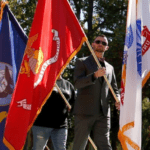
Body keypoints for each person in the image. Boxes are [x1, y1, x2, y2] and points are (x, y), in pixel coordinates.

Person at [72, 34, 120, 150]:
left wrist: (117, 100)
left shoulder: (110, 68)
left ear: (106, 48)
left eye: (104, 43)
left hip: (103, 113)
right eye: (98, 41)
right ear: (93, 44)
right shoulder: (82, 62)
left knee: (104, 145)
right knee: (79, 146)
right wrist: (94, 76)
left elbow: (114, 89)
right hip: (84, 112)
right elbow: (77, 83)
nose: (100, 44)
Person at [32, 75, 75, 150]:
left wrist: (71, 108)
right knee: (38, 148)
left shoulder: (68, 85)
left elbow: (73, 103)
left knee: (61, 148)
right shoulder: (42, 82)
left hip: (61, 125)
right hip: (42, 123)